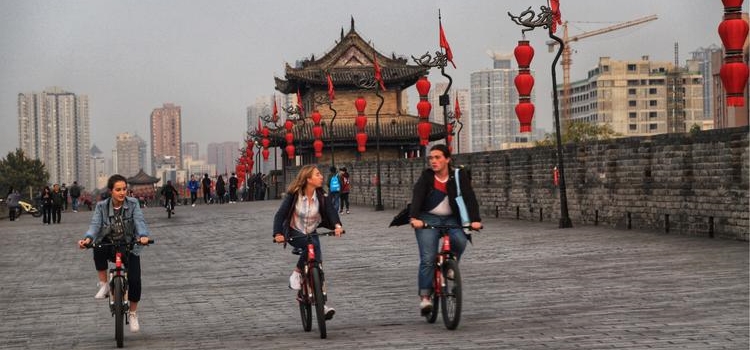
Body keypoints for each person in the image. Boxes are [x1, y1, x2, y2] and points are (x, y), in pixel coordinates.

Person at [409, 144, 482, 315]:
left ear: (447, 159)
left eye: (437, 157)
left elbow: (469, 197)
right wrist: (414, 218)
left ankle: (451, 263)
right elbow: (417, 196)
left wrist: (475, 220)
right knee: (428, 257)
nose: (433, 161)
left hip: (452, 217)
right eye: (431, 158)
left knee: (460, 240)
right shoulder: (427, 177)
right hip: (428, 217)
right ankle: (426, 297)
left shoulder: (458, 175)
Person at [77, 174, 152, 333]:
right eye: (118, 189)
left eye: (124, 189)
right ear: (111, 191)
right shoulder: (101, 206)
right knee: (97, 246)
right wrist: (87, 239)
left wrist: (143, 236)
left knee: (135, 280)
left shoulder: (133, 204)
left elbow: (139, 221)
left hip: (129, 245)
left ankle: (132, 313)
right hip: (110, 245)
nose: (122, 192)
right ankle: (104, 284)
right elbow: (95, 225)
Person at [273, 165, 344, 320]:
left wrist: (337, 226)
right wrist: (277, 233)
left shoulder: (322, 195)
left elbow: (331, 211)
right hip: (294, 232)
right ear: (308, 179)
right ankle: (297, 273)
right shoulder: (294, 195)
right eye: (317, 174)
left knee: (318, 265)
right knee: (307, 245)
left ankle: (322, 304)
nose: (321, 177)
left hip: (312, 232)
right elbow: (280, 215)